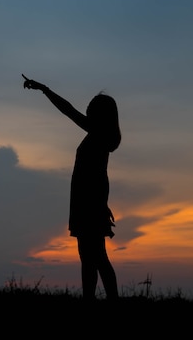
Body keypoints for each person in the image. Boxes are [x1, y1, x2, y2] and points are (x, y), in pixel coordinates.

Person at [22, 73, 120, 300]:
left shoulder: (99, 136)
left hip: (89, 205)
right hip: (86, 204)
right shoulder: (97, 136)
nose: (86, 108)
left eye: (91, 106)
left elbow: (67, 109)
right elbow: (101, 176)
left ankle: (110, 301)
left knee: (96, 258)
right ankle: (91, 299)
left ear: (101, 114)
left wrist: (44, 89)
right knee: (90, 258)